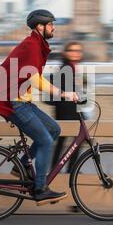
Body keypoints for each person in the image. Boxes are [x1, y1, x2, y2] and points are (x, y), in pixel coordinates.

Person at [0, 10, 78, 206]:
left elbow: (34, 76)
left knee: (54, 129)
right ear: (40, 27)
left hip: (23, 102)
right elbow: (35, 79)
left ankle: (22, 166)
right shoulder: (31, 45)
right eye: (50, 24)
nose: (53, 27)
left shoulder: (35, 45)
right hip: (15, 104)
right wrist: (63, 93)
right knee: (45, 141)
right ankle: (41, 188)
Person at [49, 41, 84, 173]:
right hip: (66, 111)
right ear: (66, 53)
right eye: (72, 50)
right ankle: (68, 169)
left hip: (70, 110)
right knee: (74, 140)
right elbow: (65, 91)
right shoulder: (65, 68)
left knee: (65, 141)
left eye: (78, 51)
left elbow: (78, 92)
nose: (75, 53)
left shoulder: (74, 68)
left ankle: (57, 169)